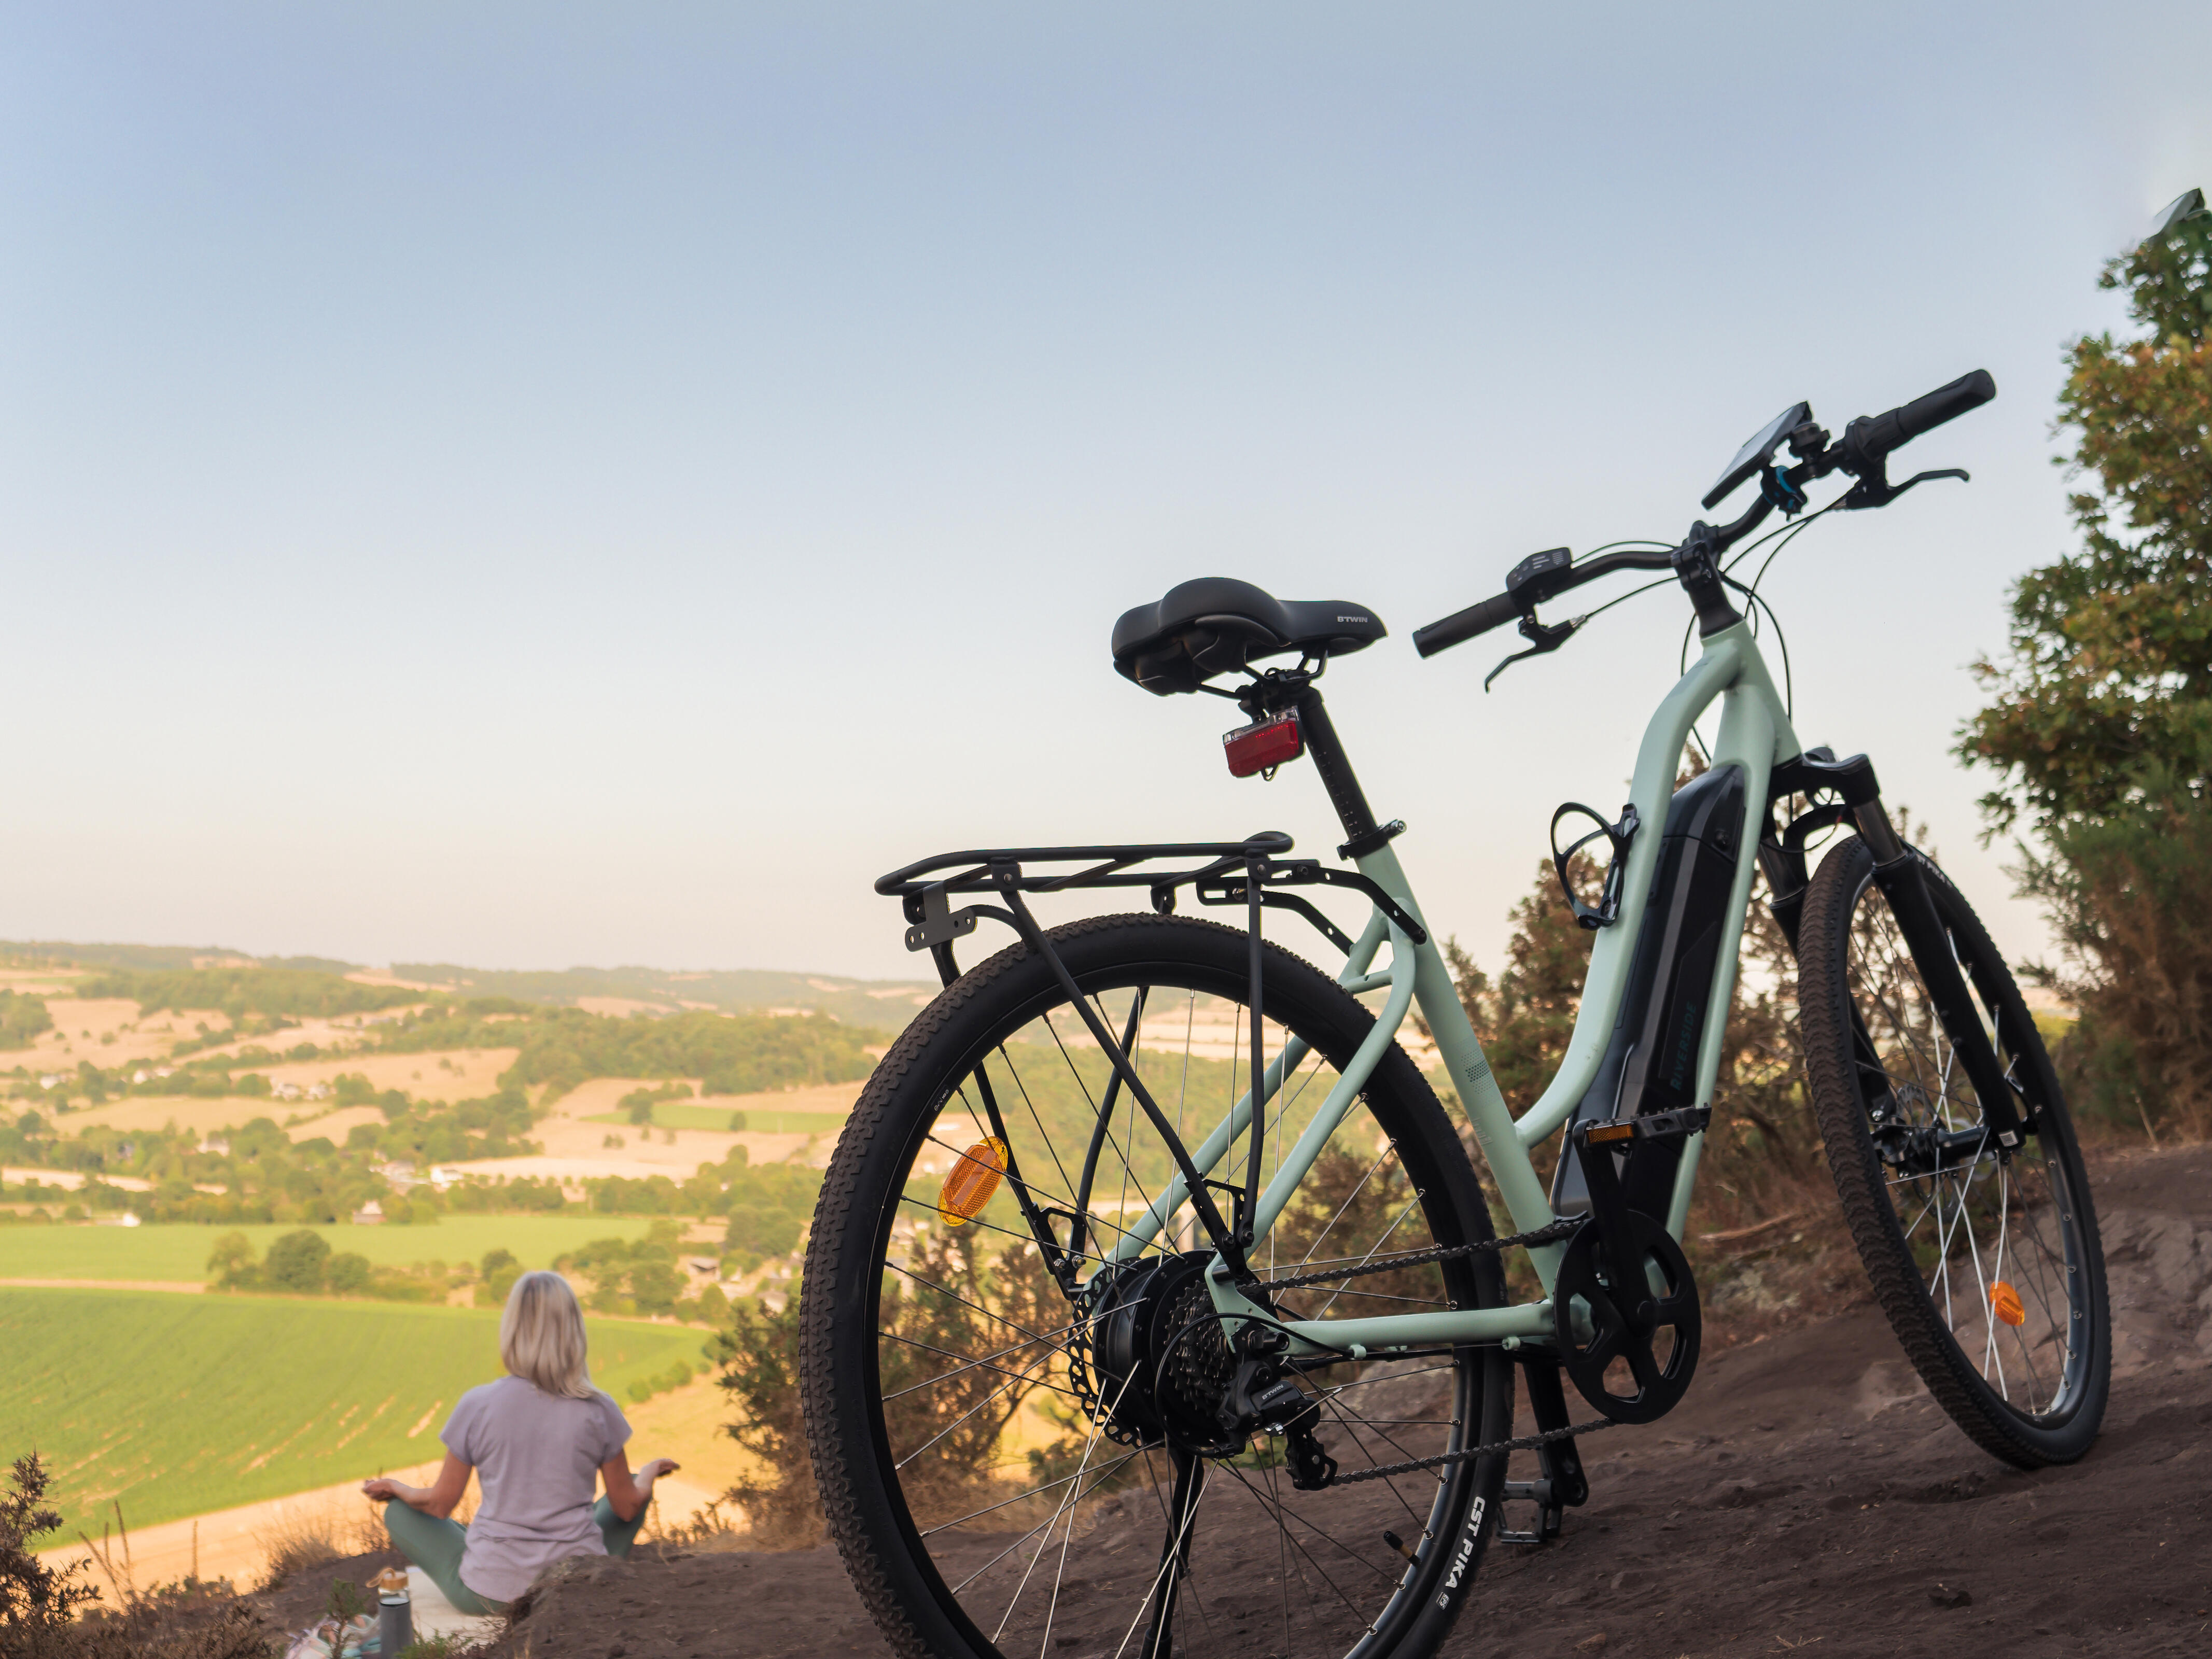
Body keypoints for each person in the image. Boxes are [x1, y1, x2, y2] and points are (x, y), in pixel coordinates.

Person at [361, 1270, 679, 1614]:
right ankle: (570, 1566)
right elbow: (627, 1508)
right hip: (574, 1586)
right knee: (631, 1486)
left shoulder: (477, 1404)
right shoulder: (599, 1408)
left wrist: (399, 1489)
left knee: (400, 1514)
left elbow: (439, 1505)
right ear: (573, 1331)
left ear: (511, 1330)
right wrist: (647, 1474)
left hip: (490, 1596)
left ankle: (494, 1554)